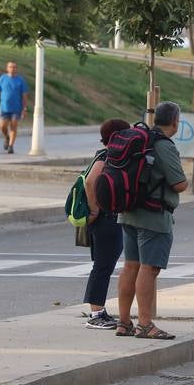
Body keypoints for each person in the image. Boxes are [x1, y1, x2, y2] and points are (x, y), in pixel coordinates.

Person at [115, 102, 188, 339]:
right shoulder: (163, 145)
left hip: (129, 211)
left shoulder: (142, 137)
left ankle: (124, 322)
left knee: (130, 266)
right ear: (175, 121)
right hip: (154, 216)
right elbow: (179, 183)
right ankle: (145, 324)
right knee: (149, 269)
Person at [79, 118, 132, 329]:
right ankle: (95, 313)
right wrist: (94, 209)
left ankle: (98, 310)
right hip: (105, 219)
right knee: (102, 266)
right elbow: (91, 181)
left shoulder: (108, 154)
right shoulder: (106, 156)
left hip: (107, 217)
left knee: (104, 265)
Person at [0, 60, 29, 154]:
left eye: (14, 67)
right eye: (11, 67)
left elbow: (24, 95)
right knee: (2, 126)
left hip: (16, 108)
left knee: (13, 126)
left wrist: (24, 108)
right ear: (7, 68)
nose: (13, 69)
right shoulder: (2, 78)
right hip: (4, 107)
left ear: (17, 69)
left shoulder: (20, 80)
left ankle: (11, 146)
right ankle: (6, 137)